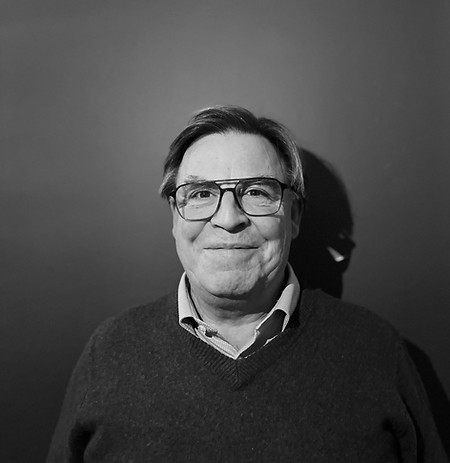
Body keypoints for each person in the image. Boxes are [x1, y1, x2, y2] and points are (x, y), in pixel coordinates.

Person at [47, 105, 448, 462]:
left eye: (256, 192)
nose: (228, 219)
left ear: (294, 216)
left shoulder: (376, 352)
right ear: (174, 216)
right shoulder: (109, 353)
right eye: (201, 194)